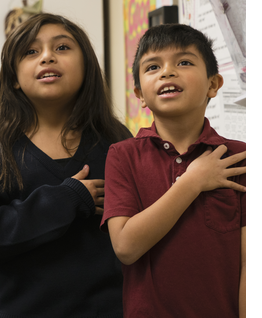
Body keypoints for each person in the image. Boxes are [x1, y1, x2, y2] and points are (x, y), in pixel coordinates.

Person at [0, 13, 131, 318]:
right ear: (13, 76)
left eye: (62, 48)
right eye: (31, 51)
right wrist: (67, 198)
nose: (47, 57)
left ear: (86, 66)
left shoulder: (116, 141)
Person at [102, 24, 246, 317]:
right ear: (140, 94)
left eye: (184, 62)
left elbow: (251, 263)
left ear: (213, 84)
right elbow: (126, 247)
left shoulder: (239, 157)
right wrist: (192, 181)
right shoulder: (122, 156)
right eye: (153, 66)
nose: (167, 72)